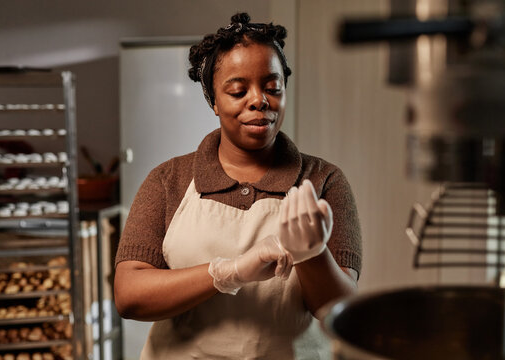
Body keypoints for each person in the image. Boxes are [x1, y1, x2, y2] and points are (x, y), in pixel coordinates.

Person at [114, 12, 362, 359]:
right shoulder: (168, 180)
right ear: (214, 100)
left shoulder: (323, 181)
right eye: (237, 90)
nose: (259, 100)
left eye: (272, 87)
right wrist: (227, 272)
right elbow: (129, 296)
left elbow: (338, 312)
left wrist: (312, 253)